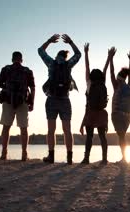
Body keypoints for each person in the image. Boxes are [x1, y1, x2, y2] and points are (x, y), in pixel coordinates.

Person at [38, 34, 81, 164]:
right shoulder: (68, 65)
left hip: (51, 99)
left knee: (51, 130)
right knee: (67, 130)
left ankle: (51, 157)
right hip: (65, 100)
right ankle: (69, 158)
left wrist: (49, 41)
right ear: (65, 57)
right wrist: (71, 42)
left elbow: (40, 51)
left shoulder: (51, 63)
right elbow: (78, 54)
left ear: (57, 56)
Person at [0, 51, 35, 161]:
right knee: (23, 128)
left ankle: (4, 154)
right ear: (21, 60)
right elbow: (32, 87)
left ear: (12, 59)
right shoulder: (27, 71)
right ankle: (24, 154)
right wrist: (32, 102)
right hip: (23, 101)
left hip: (8, 100)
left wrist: (7, 87)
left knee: (6, 127)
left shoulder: (6, 69)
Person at [79, 43, 112, 165]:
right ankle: (104, 159)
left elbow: (86, 66)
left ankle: (86, 158)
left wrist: (86, 53)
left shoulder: (89, 83)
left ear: (91, 76)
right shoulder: (102, 82)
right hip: (102, 113)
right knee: (102, 136)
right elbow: (105, 69)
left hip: (91, 112)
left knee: (90, 136)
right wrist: (109, 57)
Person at [109, 47, 130, 163]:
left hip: (118, 114)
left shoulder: (117, 85)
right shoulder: (129, 85)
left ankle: (124, 158)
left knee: (121, 136)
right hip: (128, 116)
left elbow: (111, 72)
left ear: (119, 77)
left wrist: (110, 58)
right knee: (122, 136)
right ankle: (124, 157)